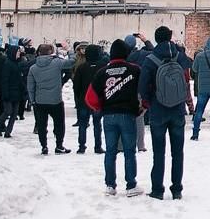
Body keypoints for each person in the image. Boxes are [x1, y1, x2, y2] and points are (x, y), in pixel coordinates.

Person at [139, 25, 195, 200]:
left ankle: (157, 189)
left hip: (158, 109)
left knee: (159, 152)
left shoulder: (151, 59)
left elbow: (142, 86)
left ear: (156, 39)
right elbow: (189, 69)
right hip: (178, 108)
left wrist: (147, 102)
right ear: (170, 37)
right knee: (178, 152)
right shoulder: (179, 56)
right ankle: (177, 188)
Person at [85, 39, 143, 197]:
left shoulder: (102, 72)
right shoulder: (134, 70)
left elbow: (90, 97)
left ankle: (110, 185)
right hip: (128, 114)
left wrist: (100, 108)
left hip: (109, 116)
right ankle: (131, 185)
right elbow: (145, 87)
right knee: (129, 151)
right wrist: (143, 106)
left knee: (110, 151)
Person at [28, 43, 73, 155]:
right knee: (59, 123)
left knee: (42, 125)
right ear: (50, 52)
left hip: (40, 101)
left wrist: (33, 100)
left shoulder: (33, 68)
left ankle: (44, 146)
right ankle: (59, 145)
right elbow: (72, 62)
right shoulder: (57, 63)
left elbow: (30, 86)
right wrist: (69, 50)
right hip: (55, 100)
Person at [72, 43, 105, 154]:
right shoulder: (102, 67)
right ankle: (98, 146)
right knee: (97, 124)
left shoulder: (81, 67)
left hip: (83, 99)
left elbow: (76, 85)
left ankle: (81, 146)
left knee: (82, 124)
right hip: (98, 100)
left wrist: (78, 97)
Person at [0, 43, 26, 138]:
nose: (19, 54)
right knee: (8, 111)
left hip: (17, 92)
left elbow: (19, 79)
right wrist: (5, 93)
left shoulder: (17, 63)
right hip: (9, 92)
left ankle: (8, 132)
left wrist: (23, 89)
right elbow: (4, 80)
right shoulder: (8, 64)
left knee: (14, 114)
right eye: (17, 52)